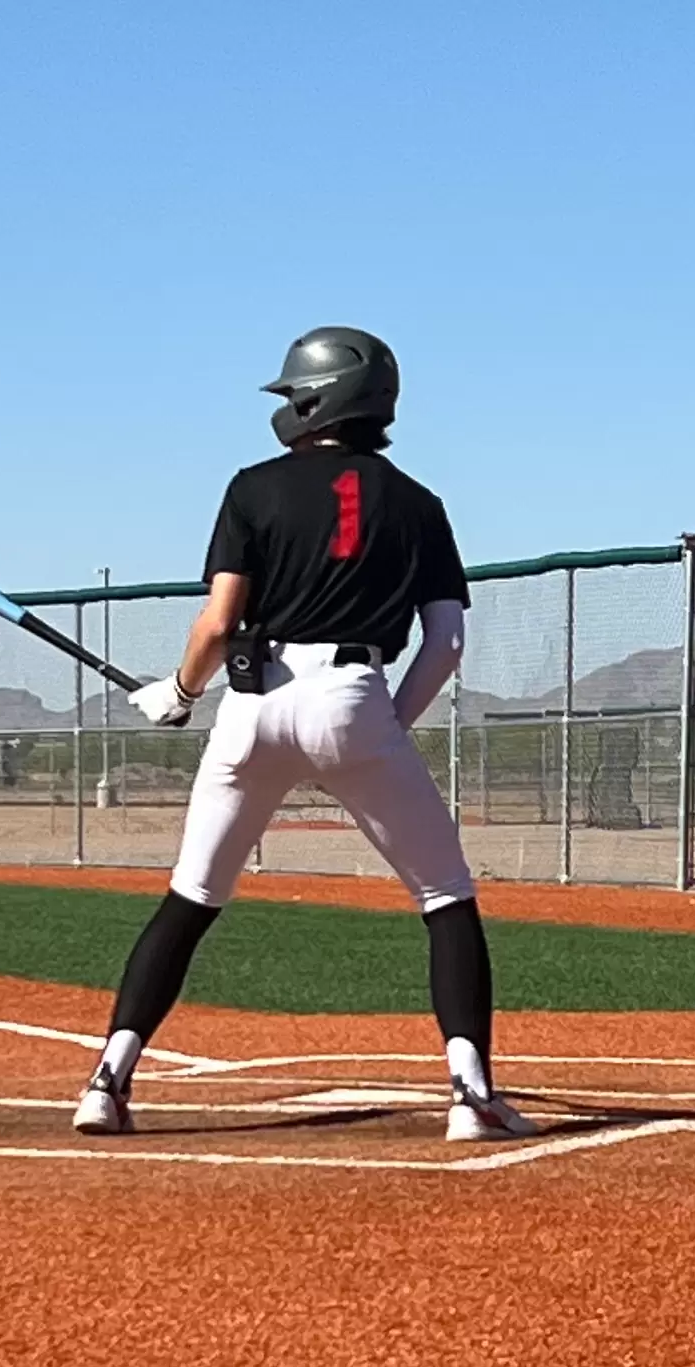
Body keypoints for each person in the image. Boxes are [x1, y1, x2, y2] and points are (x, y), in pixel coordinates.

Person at [72, 326, 535, 1143]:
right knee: (445, 898)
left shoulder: (252, 487)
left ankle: (107, 1082)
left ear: (318, 399)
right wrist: (385, 726)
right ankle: (471, 1097)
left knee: (192, 896)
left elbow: (218, 623)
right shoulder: (419, 502)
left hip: (253, 704)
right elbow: (447, 643)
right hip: (353, 694)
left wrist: (179, 692)